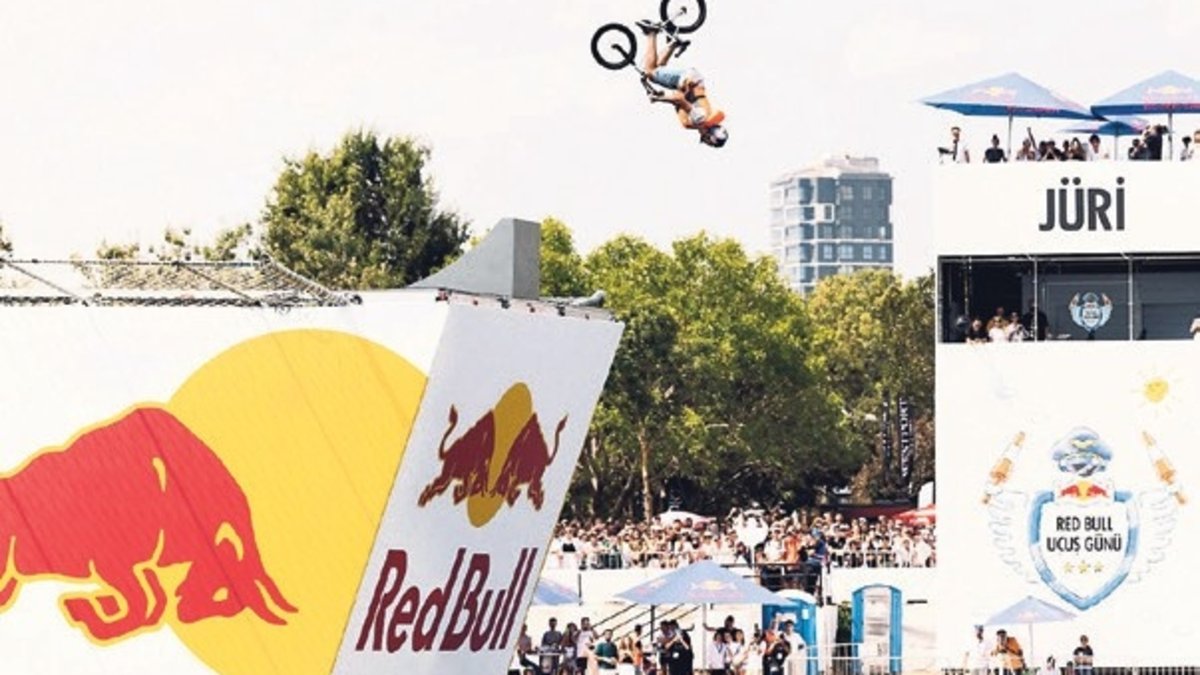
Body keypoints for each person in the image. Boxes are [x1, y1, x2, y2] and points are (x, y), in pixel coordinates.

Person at [635, 20, 728, 148]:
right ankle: (652, 32)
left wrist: (662, 96)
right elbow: (679, 99)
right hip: (686, 79)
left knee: (658, 71)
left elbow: (679, 99)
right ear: (708, 134)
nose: (701, 136)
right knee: (650, 71)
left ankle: (674, 44)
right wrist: (658, 99)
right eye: (704, 138)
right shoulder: (700, 119)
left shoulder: (700, 120)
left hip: (690, 80)